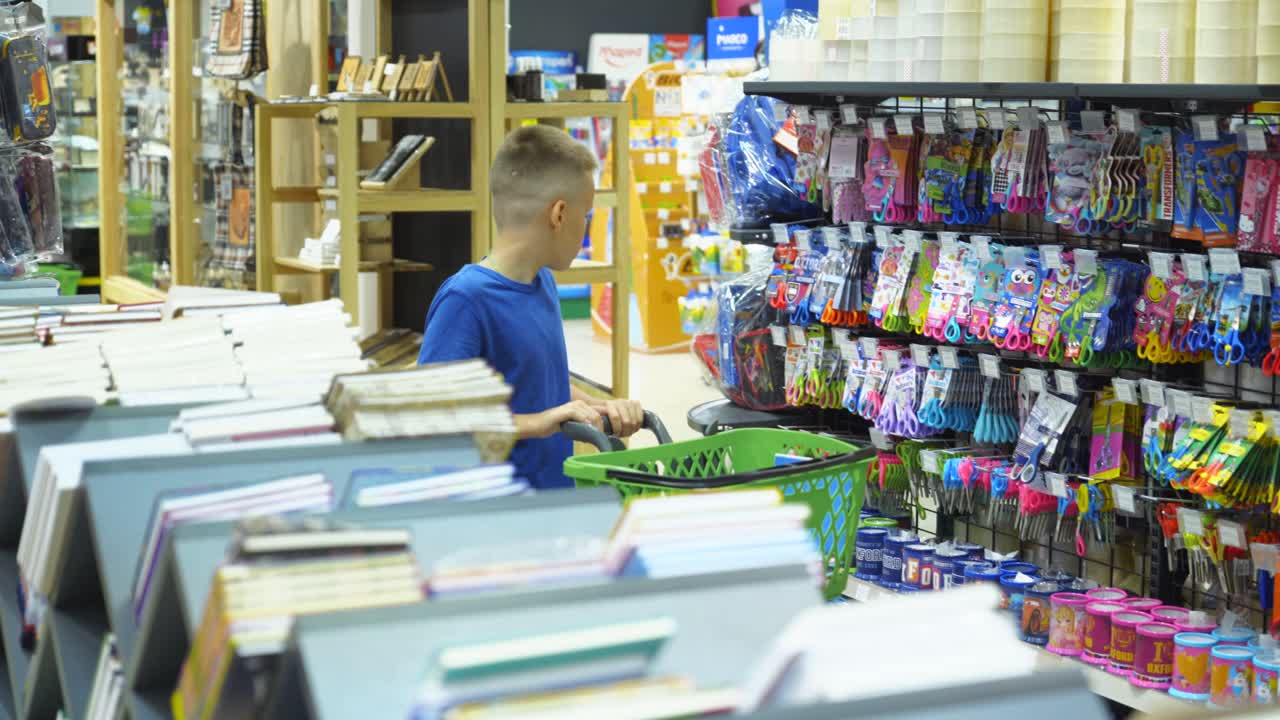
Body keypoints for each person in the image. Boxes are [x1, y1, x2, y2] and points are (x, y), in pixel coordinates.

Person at [418, 125, 645, 490]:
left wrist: (594, 407)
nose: (584, 229)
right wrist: (540, 422)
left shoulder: (543, 283)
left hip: (549, 503)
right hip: (496, 516)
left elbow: (541, 382)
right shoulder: (466, 300)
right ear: (558, 214)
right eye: (585, 215)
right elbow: (433, 419)